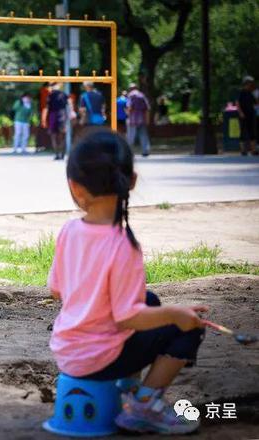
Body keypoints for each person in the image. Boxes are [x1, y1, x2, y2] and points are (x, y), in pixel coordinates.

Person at [48, 130, 206, 434]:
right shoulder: (122, 246)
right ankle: (144, 405)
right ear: (131, 181)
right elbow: (127, 318)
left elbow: (56, 289)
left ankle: (127, 385)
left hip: (68, 351)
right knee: (188, 328)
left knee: (150, 299)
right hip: (100, 359)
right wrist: (177, 315)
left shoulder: (69, 231)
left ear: (74, 187)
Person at [42, 82, 68, 160]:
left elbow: (46, 108)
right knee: (63, 136)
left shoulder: (50, 95)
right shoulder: (64, 94)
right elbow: (68, 105)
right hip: (62, 114)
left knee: (53, 136)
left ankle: (57, 154)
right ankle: (62, 154)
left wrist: (43, 119)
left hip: (53, 115)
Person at [126, 83, 152, 157]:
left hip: (133, 119)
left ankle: (129, 152)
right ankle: (145, 151)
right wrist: (147, 119)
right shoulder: (142, 95)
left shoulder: (131, 95)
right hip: (142, 119)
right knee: (143, 135)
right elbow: (147, 109)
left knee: (131, 136)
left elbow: (129, 106)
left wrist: (127, 114)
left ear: (130, 89)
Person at [235, 76, 257, 156]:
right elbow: (237, 103)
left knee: (252, 132)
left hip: (251, 115)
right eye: (249, 84)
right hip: (243, 115)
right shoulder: (241, 92)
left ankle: (253, 150)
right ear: (246, 84)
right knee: (243, 132)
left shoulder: (251, 93)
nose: (251, 85)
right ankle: (243, 150)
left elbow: (256, 103)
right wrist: (240, 112)